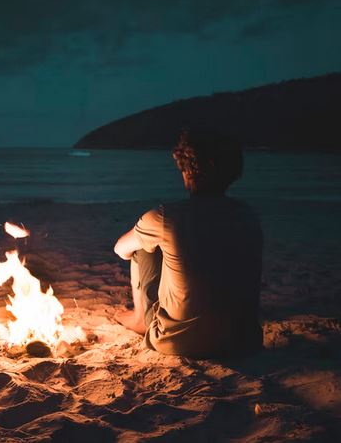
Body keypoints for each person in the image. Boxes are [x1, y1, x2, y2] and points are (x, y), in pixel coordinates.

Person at [113, 129, 263, 358]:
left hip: (178, 342)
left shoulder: (166, 217)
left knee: (142, 246)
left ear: (187, 172)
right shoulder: (247, 215)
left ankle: (139, 318)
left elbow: (120, 249)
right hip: (242, 340)